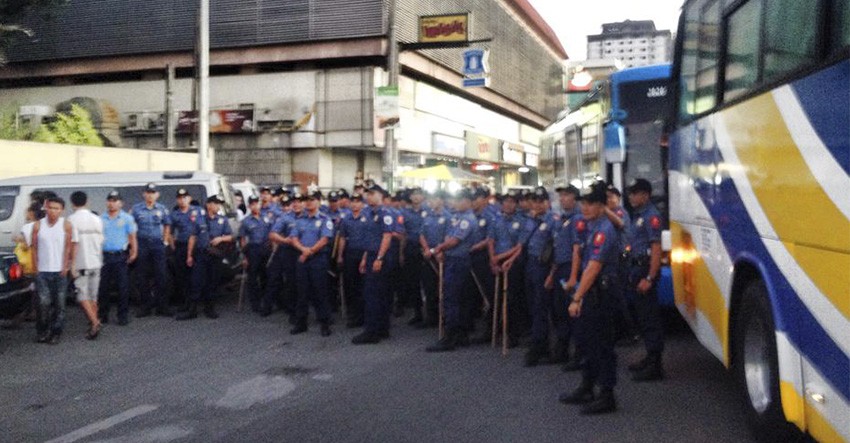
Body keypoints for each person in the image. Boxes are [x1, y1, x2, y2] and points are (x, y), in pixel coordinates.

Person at [559, 182, 620, 414]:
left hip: (601, 295)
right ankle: (587, 386)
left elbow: (594, 267)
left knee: (602, 345)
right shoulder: (592, 227)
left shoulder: (604, 230)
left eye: (591, 203)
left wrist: (577, 298)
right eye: (583, 203)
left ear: (602, 206)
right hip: (591, 293)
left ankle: (607, 394)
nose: (585, 207)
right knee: (587, 342)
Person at [426, 188, 478, 352]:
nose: (456, 203)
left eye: (460, 200)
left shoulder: (467, 219)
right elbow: (448, 237)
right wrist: (443, 248)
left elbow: (454, 240)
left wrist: (436, 250)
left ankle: (451, 336)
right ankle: (460, 334)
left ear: (468, 202)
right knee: (457, 298)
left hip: (459, 261)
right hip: (452, 259)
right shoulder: (457, 217)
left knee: (453, 298)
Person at [625, 178, 665, 381]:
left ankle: (656, 365)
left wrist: (650, 277)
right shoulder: (638, 215)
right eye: (631, 193)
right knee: (642, 316)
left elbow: (656, 248)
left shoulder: (651, 216)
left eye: (636, 193)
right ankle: (649, 357)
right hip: (636, 269)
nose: (631, 196)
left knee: (650, 319)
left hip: (645, 270)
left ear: (646, 195)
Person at [351, 184, 400, 345]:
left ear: (380, 195)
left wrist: (379, 258)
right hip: (372, 254)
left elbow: (387, 237)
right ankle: (381, 328)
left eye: (372, 194)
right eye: (367, 194)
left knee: (373, 294)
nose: (368, 196)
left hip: (381, 257)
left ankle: (372, 331)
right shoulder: (369, 213)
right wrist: (366, 258)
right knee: (379, 294)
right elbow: (371, 239)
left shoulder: (385, 213)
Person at [176, 195, 234, 320]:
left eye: (219, 204)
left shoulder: (222, 220)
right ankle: (192, 310)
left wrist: (221, 238)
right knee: (196, 282)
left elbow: (231, 237)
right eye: (216, 203)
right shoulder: (199, 219)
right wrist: (189, 255)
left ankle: (210, 309)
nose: (218, 206)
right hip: (201, 254)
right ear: (208, 205)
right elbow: (192, 237)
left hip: (215, 256)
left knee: (212, 282)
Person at [546, 185, 582, 364]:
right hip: (560, 267)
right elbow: (556, 249)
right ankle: (562, 349)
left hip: (571, 269)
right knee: (560, 310)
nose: (562, 199)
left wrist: (574, 277)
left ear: (574, 197)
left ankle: (578, 354)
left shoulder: (578, 219)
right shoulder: (561, 219)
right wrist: (552, 275)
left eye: (566, 195)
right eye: (560, 196)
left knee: (574, 313)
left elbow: (577, 250)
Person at [288, 191, 333, 336]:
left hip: (318, 259)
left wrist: (309, 252)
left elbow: (325, 239)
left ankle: (324, 323)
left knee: (320, 292)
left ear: (319, 202)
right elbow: (294, 238)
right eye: (306, 200)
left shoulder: (325, 219)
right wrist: (303, 250)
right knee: (302, 292)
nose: (308, 203)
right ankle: (301, 323)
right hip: (302, 258)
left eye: (312, 200)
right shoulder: (300, 220)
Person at [522, 186, 558, 366]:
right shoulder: (529, 219)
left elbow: (556, 250)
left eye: (541, 201)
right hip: (530, 264)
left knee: (541, 308)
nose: (537, 204)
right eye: (534, 201)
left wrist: (551, 274)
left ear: (548, 202)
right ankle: (539, 342)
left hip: (544, 267)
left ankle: (540, 346)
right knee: (532, 306)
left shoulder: (553, 220)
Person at [487, 189, 527, 347]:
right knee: (495, 298)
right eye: (505, 202)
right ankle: (496, 331)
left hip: (513, 263)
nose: (508, 205)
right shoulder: (496, 220)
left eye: (511, 202)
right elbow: (491, 240)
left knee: (512, 300)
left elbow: (520, 246)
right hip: (497, 262)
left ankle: (513, 334)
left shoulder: (522, 220)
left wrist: (503, 258)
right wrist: (493, 259)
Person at [31, 196, 73, 344]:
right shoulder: (37, 225)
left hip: (59, 271)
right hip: (42, 271)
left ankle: (56, 332)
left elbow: (68, 247)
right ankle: (42, 330)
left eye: (57, 208)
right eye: (50, 207)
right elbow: (34, 248)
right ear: (46, 208)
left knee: (60, 304)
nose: (53, 211)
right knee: (43, 303)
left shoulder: (66, 225)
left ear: (62, 210)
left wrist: (65, 266)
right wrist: (35, 268)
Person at [131, 183, 173, 318]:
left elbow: (167, 225)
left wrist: (165, 241)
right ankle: (145, 306)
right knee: (142, 277)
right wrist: (133, 245)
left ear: (157, 195)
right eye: (148, 192)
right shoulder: (136, 209)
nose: (150, 195)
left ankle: (162, 306)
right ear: (144, 194)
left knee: (161, 276)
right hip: (142, 244)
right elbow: (131, 228)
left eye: (153, 192)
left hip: (157, 245)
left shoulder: (162, 209)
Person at [68, 191, 105, 340]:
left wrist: (71, 264)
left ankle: (95, 322)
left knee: (82, 295)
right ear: (87, 202)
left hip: (80, 262)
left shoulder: (70, 220)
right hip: (96, 261)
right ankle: (93, 321)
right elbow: (101, 240)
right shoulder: (97, 219)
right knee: (93, 295)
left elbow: (71, 245)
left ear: (72, 203)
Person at [606, 184, 639, 346]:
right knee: (615, 298)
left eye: (612, 197)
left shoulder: (620, 212)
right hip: (612, 260)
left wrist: (604, 210)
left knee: (621, 298)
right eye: (607, 198)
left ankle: (630, 332)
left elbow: (619, 223)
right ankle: (620, 331)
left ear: (618, 198)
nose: (609, 200)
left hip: (621, 260)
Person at [98, 191, 137, 326]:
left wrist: (134, 252)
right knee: (103, 288)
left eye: (115, 200)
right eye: (110, 200)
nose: (112, 203)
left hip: (120, 256)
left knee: (123, 288)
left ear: (121, 203)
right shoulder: (101, 218)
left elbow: (132, 236)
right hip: (104, 257)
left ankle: (122, 315)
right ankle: (103, 315)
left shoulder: (127, 218)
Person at [337, 192, 369, 328]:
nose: (355, 204)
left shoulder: (368, 218)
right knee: (351, 285)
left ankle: (364, 315)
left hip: (364, 254)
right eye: (353, 201)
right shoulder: (346, 219)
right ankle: (353, 315)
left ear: (362, 204)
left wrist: (365, 258)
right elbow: (343, 238)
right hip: (350, 254)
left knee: (364, 286)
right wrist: (339, 256)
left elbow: (370, 239)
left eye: (358, 201)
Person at [418, 190, 449, 328]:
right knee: (428, 287)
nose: (431, 201)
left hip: (441, 255)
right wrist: (426, 249)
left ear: (441, 200)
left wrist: (439, 250)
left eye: (434, 199)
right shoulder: (427, 215)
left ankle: (443, 318)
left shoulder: (448, 217)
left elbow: (449, 237)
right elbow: (421, 234)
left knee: (441, 288)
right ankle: (431, 317)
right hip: (428, 255)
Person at [169, 188, 201, 309]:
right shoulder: (175, 214)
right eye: (180, 198)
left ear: (189, 198)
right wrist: (173, 247)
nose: (182, 200)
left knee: (196, 276)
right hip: (181, 246)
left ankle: (195, 304)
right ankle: (186, 303)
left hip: (196, 247)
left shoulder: (197, 211)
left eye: (185, 197)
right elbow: (170, 232)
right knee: (183, 277)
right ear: (177, 200)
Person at [240, 196, 272, 314]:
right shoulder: (246, 221)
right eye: (252, 204)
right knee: (253, 278)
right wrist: (244, 257)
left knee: (266, 276)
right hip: (252, 250)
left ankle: (266, 301)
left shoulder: (267, 218)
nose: (255, 206)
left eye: (257, 203)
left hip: (266, 249)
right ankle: (255, 303)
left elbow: (272, 234)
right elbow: (243, 240)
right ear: (249, 206)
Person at [400, 187, 426, 326]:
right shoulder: (405, 213)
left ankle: (432, 313)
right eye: (414, 195)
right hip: (411, 248)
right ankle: (418, 313)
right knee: (413, 282)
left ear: (423, 197)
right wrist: (401, 252)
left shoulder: (428, 211)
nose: (416, 197)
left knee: (428, 282)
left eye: (419, 194)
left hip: (426, 249)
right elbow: (403, 233)